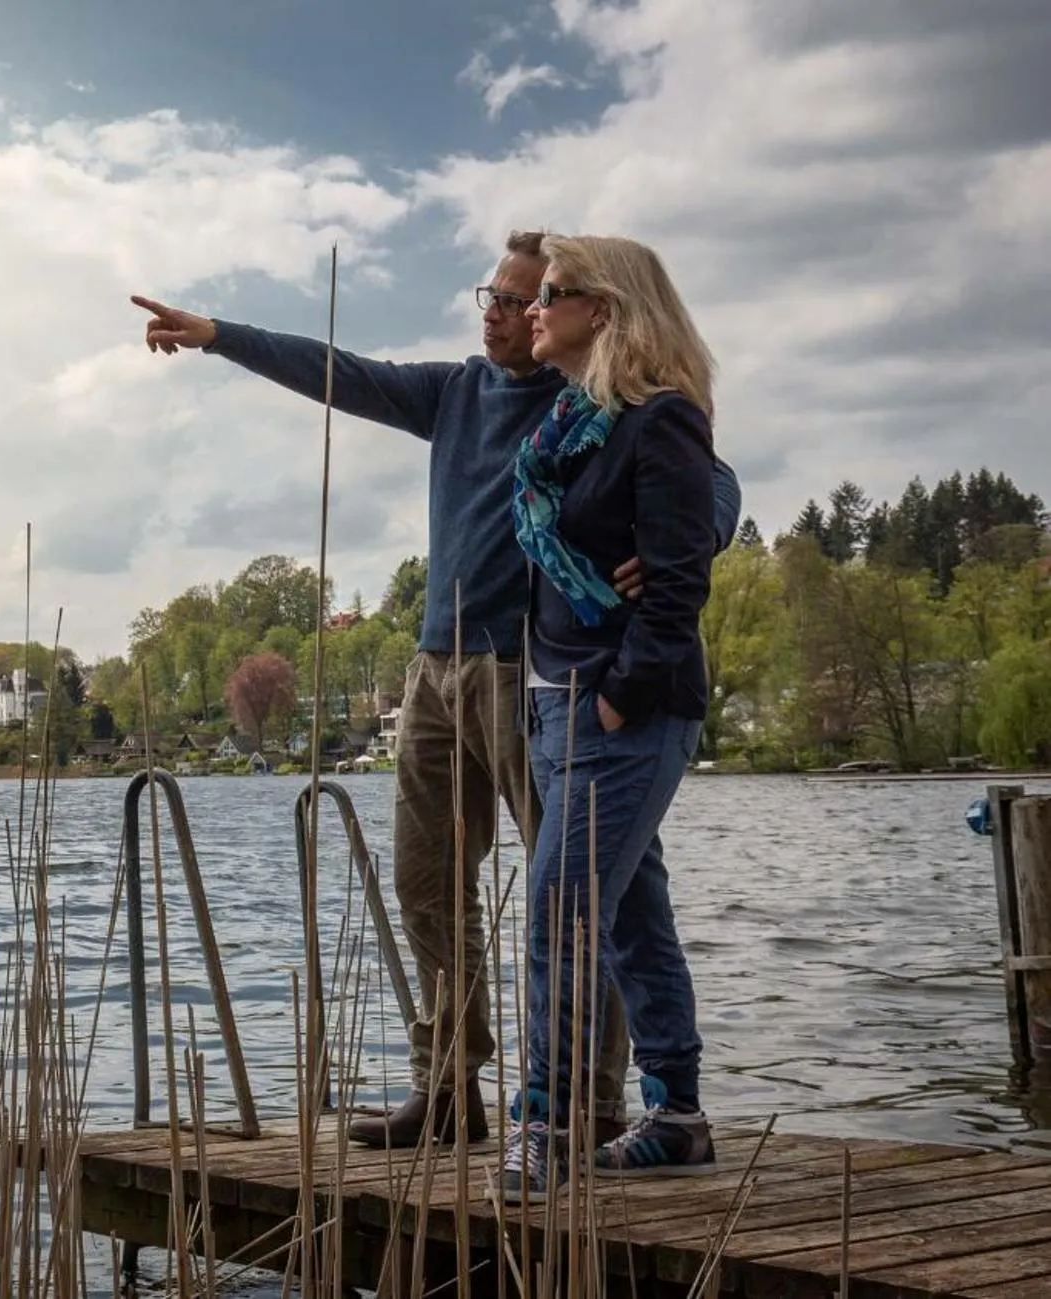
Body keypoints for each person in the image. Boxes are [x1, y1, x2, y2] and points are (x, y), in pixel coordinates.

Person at [131, 231, 739, 1149]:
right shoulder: (457, 391)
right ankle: (449, 1086)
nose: (500, 314)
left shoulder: (588, 397)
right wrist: (217, 334)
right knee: (427, 884)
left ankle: (593, 1103)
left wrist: (677, 554)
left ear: (568, 308)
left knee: (578, 893)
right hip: (432, 671)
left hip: (531, 672)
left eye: (521, 299)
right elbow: (337, 369)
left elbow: (713, 483)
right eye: (491, 298)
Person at [494, 233, 723, 1202]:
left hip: (621, 711)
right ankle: (674, 1117)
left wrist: (623, 695)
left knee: (557, 912)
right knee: (629, 913)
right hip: (555, 709)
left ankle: (543, 1125)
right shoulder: (568, 431)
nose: (532, 308)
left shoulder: (657, 421)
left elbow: (677, 585)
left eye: (551, 294)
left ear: (607, 307)